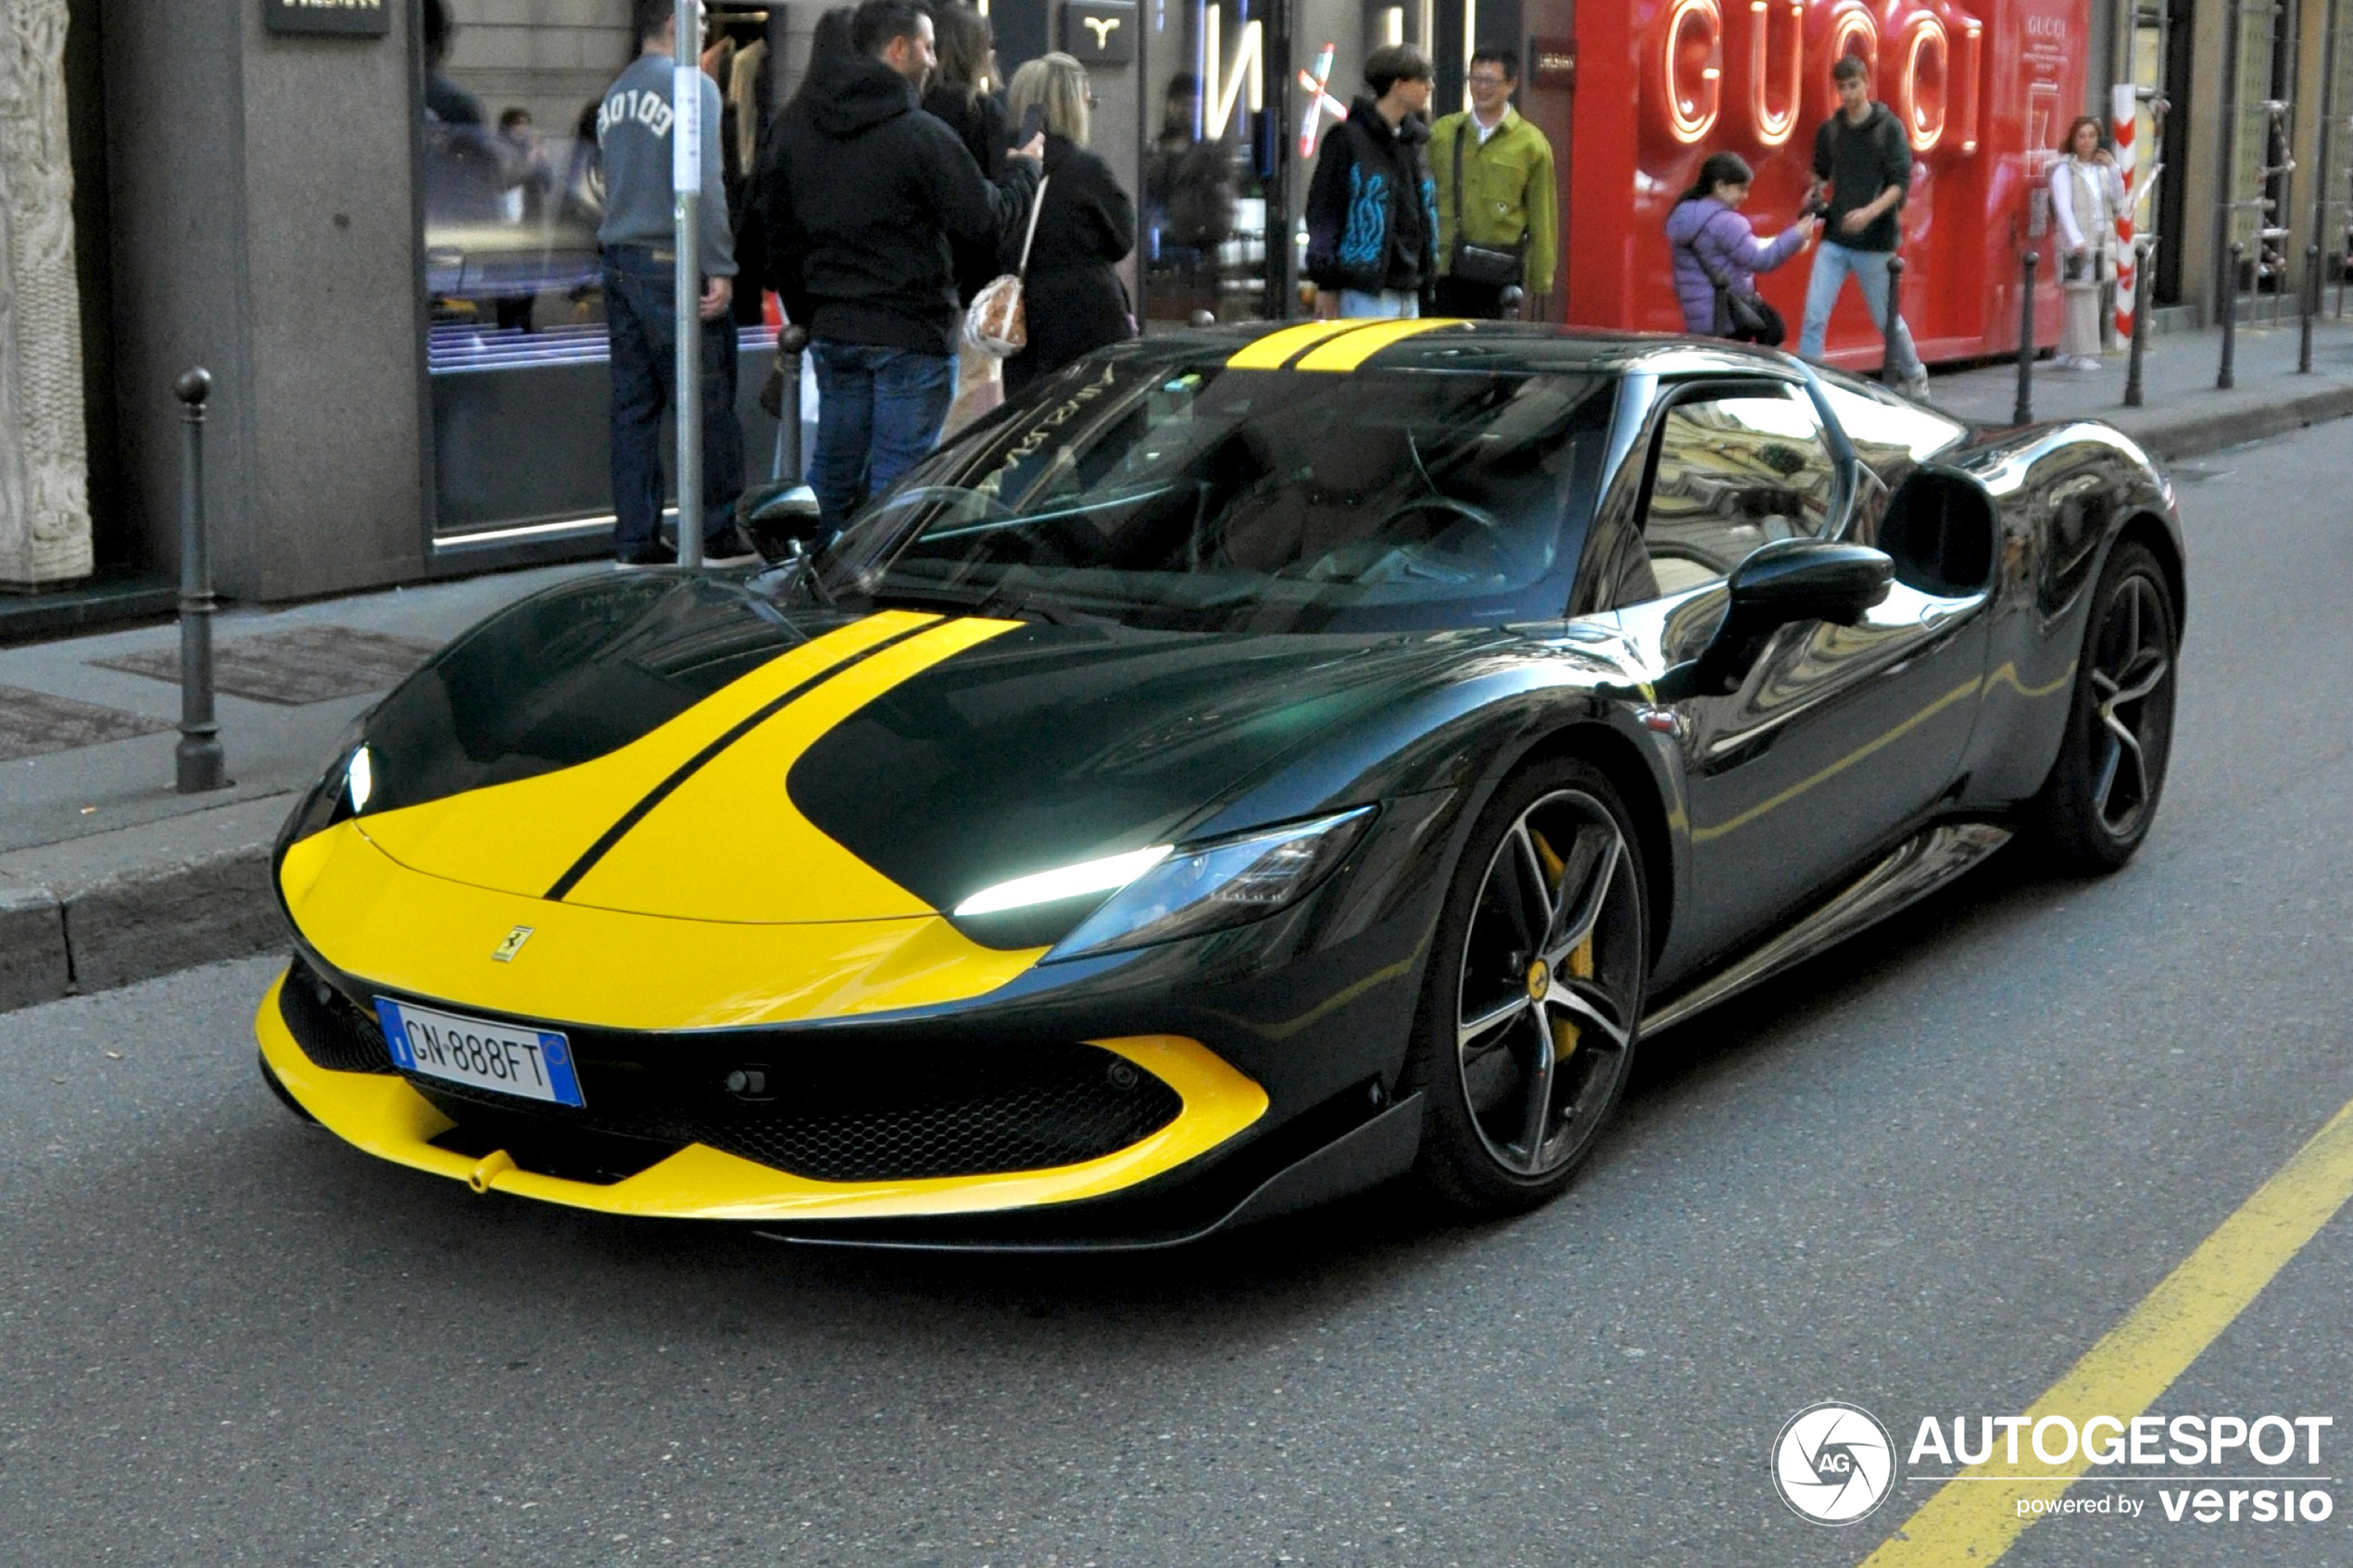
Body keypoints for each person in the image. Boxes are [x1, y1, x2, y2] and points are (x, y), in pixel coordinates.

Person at [761, 0, 1043, 531]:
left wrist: (808, 312)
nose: (935, 60)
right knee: (899, 485)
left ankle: (819, 587)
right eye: (928, 46)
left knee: (832, 477)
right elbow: (983, 218)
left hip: (836, 333)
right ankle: (879, 596)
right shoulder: (920, 135)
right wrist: (1026, 172)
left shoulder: (797, 128)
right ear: (898, 48)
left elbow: (779, 236)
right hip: (911, 335)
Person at [596, 0, 757, 566]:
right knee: (708, 401)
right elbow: (705, 186)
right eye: (704, 21)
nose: (709, 31)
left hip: (619, 259)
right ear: (676, 23)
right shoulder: (693, 89)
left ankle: (636, 537)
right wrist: (721, 266)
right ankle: (715, 531)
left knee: (633, 408)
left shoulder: (615, 95)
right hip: (672, 261)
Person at [999, 54, 1136, 398]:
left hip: (1023, 322)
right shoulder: (1084, 169)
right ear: (1070, 106)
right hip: (1088, 320)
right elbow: (1122, 239)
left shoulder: (1002, 165)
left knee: (1030, 429)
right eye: (1088, 102)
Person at [1797, 55, 1927, 398]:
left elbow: (1900, 183)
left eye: (1853, 85)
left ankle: (1914, 373)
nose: (1847, 94)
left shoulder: (1889, 128)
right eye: (1841, 87)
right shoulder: (1832, 130)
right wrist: (1814, 192)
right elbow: (1821, 173)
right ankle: (1809, 386)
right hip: (1837, 237)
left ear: (1866, 83)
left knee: (1886, 319)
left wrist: (1870, 212)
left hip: (1876, 240)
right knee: (1814, 315)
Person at [921, 2, 1011, 432]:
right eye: (987, 44)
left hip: (925, 278)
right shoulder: (983, 111)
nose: (993, 52)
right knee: (975, 402)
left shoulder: (915, 111)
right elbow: (994, 207)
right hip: (976, 284)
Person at [1303, 44, 1437, 320]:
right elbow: (1325, 213)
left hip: (1410, 286)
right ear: (1399, 84)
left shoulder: (1414, 141)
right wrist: (1326, 283)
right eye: (1423, 80)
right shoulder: (1347, 138)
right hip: (1362, 287)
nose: (1430, 87)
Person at [1428, 48, 1557, 320]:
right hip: (1445, 269)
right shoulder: (1444, 132)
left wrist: (1540, 281)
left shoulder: (1531, 143)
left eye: (1490, 81)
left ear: (1512, 84)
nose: (1481, 88)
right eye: (1475, 79)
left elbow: (1542, 216)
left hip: (1498, 273)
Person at [1665, 151, 1818, 338]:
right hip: (1728, 318)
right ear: (1720, 186)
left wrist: (1785, 240)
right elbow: (1763, 260)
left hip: (1700, 320)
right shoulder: (1727, 222)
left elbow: (1731, 252)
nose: (1745, 195)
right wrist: (1797, 235)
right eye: (1741, 188)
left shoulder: (1684, 216)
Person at [2050, 115, 2125, 371]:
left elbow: (2118, 200)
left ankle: (2068, 349)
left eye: (2092, 136)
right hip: (2080, 239)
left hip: (2102, 238)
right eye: (2081, 136)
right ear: (2073, 140)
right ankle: (2082, 353)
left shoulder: (2101, 170)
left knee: (2093, 293)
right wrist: (2075, 239)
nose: (2087, 142)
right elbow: (2063, 207)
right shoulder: (2064, 170)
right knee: (2082, 296)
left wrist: (2114, 169)